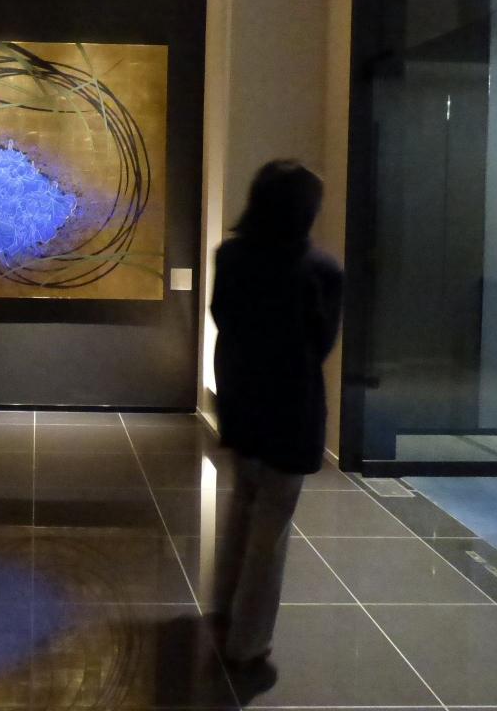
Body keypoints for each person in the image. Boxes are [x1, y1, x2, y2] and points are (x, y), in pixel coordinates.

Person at [209, 159, 343, 685]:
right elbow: (321, 344)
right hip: (291, 407)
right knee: (271, 528)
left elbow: (223, 317)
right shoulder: (322, 270)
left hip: (241, 398)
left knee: (242, 504)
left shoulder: (232, 256)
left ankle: (224, 607)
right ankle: (248, 642)